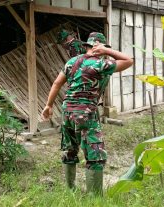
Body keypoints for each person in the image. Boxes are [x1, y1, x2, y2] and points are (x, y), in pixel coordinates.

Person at [42, 32, 133, 195]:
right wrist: (108, 51)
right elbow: (128, 60)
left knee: (70, 150)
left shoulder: (72, 62)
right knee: (95, 154)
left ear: (87, 46)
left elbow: (57, 83)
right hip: (85, 113)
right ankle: (94, 197)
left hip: (67, 111)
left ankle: (70, 189)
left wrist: (48, 106)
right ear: (100, 47)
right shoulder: (102, 64)